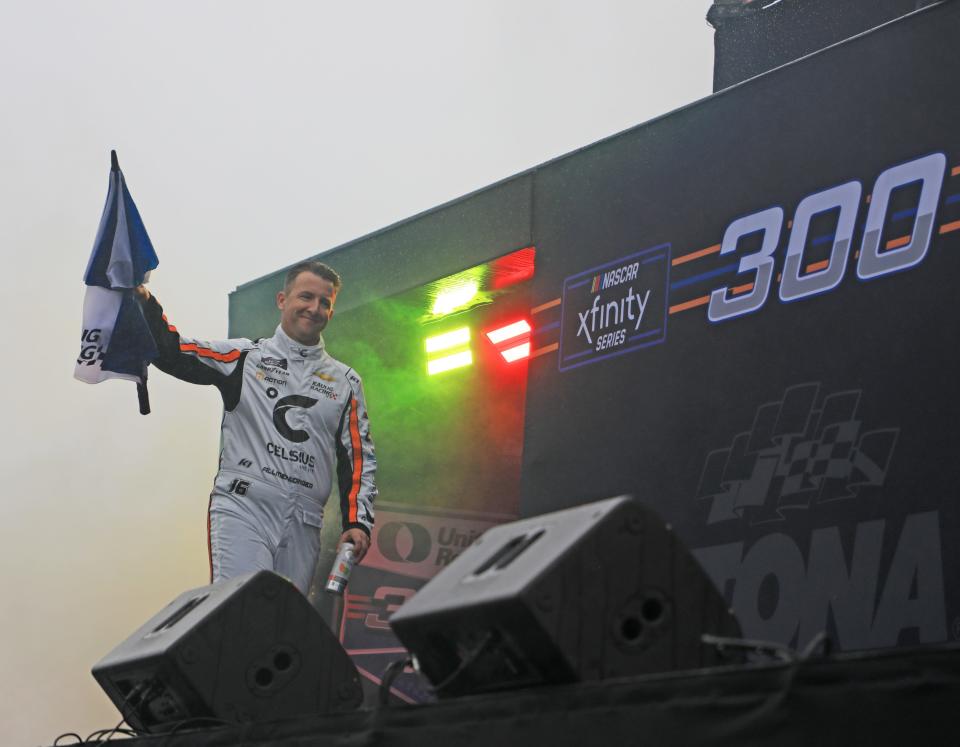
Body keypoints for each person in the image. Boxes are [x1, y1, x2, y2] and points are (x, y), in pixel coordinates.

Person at [136, 261, 376, 595]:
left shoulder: (346, 382)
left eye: (324, 302)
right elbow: (173, 350)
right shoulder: (244, 357)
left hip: (305, 522)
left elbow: (359, 458)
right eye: (305, 297)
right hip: (245, 506)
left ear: (331, 312)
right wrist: (145, 301)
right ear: (282, 300)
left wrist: (357, 522)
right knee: (242, 607)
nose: (314, 308)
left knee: (284, 627)